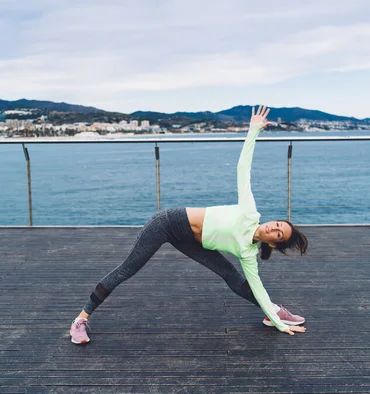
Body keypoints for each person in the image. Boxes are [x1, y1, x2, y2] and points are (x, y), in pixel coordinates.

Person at [70, 105, 308, 344]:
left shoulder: (248, 252)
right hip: (168, 223)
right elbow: (243, 169)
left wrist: (276, 322)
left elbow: (256, 286)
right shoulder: (249, 213)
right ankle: (80, 320)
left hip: (194, 241)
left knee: (233, 277)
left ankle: (272, 311)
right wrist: (253, 131)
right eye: (276, 224)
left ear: (275, 245)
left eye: (278, 235)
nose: (272, 228)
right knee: (127, 269)